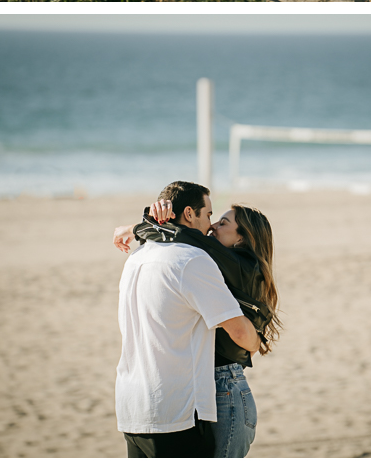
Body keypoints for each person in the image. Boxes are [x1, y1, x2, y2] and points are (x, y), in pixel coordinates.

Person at [114, 186, 281, 458]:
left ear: (243, 239)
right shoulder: (202, 259)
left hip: (219, 388)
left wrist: (140, 226)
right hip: (201, 391)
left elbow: (186, 237)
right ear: (191, 213)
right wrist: (145, 224)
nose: (213, 226)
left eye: (222, 221)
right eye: (211, 215)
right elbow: (185, 239)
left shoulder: (231, 262)